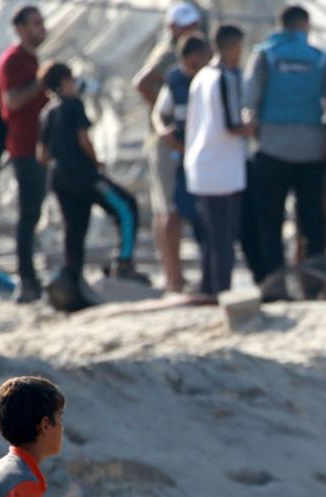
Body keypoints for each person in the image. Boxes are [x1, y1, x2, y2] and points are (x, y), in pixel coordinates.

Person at [243, 6, 326, 287]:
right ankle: (315, 284)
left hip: (272, 148)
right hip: (312, 149)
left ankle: (275, 285)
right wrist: (323, 129)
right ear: (304, 26)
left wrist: (260, 131)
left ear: (281, 24)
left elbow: (249, 101)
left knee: (271, 220)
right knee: (313, 221)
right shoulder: (320, 57)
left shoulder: (265, 54)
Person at [39, 62, 144, 312]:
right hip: (84, 174)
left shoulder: (46, 112)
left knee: (74, 227)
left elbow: (41, 155)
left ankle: (70, 276)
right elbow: (83, 138)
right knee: (126, 207)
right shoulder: (73, 105)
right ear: (65, 82)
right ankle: (124, 262)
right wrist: (95, 160)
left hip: (59, 178)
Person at [133, 2, 202, 294]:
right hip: (167, 143)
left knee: (175, 209)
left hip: (181, 141)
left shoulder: (188, 49)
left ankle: (176, 276)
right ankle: (174, 277)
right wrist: (166, 114)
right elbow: (143, 83)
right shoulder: (169, 55)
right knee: (169, 211)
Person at [185, 24, 253, 300]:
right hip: (221, 169)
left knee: (211, 239)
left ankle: (208, 288)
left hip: (203, 166)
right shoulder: (225, 77)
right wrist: (251, 125)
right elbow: (232, 124)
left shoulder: (201, 75)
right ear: (234, 47)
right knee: (224, 239)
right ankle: (221, 294)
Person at [0, 5, 49, 303]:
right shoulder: (13, 61)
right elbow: (12, 101)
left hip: (42, 148)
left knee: (36, 213)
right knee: (28, 215)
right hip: (24, 148)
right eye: (35, 23)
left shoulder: (33, 60)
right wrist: (41, 82)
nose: (42, 28)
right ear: (20, 29)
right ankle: (26, 278)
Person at [151, 34, 211, 292]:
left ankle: (208, 277)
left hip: (206, 158)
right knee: (172, 213)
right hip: (180, 156)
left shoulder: (213, 79)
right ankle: (174, 278)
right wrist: (167, 136)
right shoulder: (175, 80)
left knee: (205, 218)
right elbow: (160, 115)